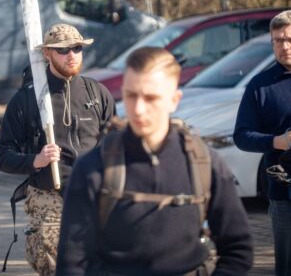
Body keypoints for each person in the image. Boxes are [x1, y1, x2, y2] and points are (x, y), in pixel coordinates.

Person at [56, 47, 253, 275]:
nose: (138, 109)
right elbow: (72, 262)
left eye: (151, 98)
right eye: (131, 95)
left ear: (174, 100)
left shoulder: (204, 163)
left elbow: (238, 249)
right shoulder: (92, 168)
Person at [0, 23, 115, 276]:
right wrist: (35, 160)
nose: (71, 55)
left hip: (92, 193)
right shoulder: (27, 99)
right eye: (63, 50)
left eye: (77, 48)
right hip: (49, 193)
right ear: (47, 53)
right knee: (53, 260)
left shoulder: (98, 93)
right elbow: (2, 156)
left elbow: (116, 146)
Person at [234, 10, 291, 276]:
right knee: (289, 269)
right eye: (278, 40)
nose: (285, 46)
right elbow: (242, 136)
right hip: (285, 194)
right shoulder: (259, 86)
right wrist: (277, 141)